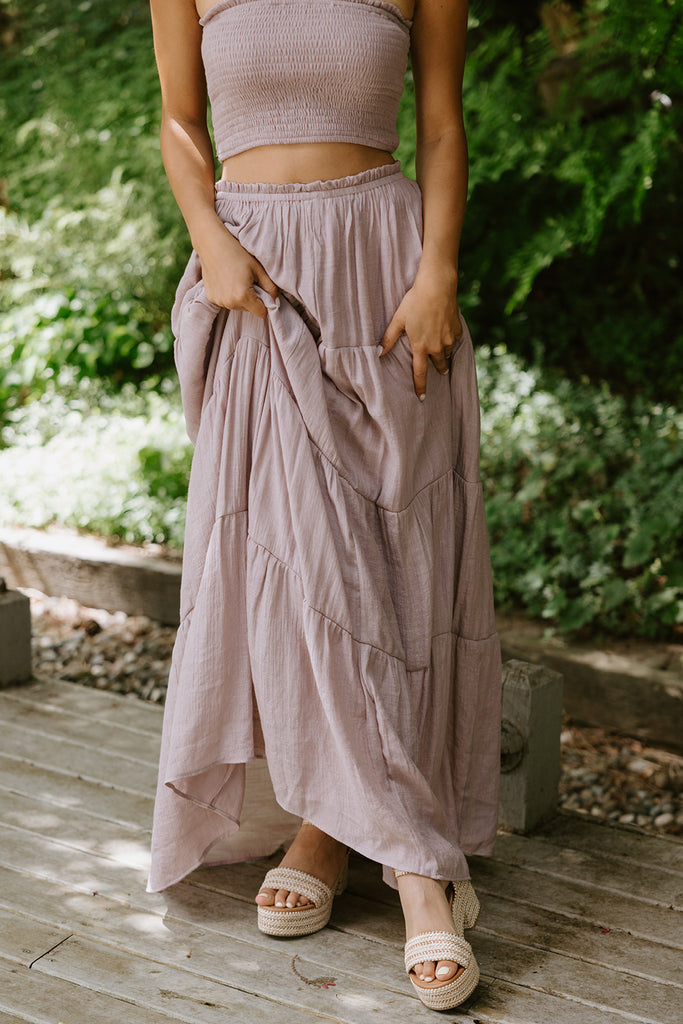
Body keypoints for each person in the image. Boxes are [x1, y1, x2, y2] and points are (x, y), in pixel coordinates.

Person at [147, 0, 502, 1011]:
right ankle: (419, 874)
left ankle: (337, 832)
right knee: (306, 565)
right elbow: (179, 119)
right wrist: (208, 237)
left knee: (395, 557)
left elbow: (440, 123)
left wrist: (436, 270)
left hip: (384, 272)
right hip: (256, 280)